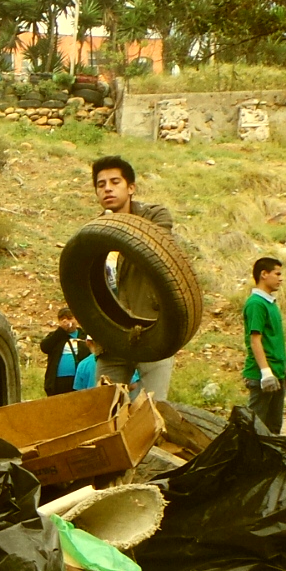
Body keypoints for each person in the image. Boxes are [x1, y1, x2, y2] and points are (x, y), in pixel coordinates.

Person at [89, 155, 176, 398]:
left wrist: (116, 229)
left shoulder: (155, 217)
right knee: (105, 409)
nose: (107, 188)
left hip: (152, 330)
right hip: (111, 336)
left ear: (131, 188)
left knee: (151, 407)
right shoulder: (92, 232)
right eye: (101, 184)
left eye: (115, 182)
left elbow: (159, 248)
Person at [242, 256, 286, 433]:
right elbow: (255, 340)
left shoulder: (270, 303)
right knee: (255, 427)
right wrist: (266, 373)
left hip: (277, 373)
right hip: (262, 375)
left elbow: (273, 339)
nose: (280, 278)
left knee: (273, 427)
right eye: (277, 273)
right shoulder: (256, 304)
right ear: (264, 274)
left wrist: (283, 370)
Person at [38, 307, 85, 396]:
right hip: (58, 381)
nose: (67, 322)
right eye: (63, 320)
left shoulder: (83, 335)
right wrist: (61, 331)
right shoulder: (55, 336)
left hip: (78, 379)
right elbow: (44, 347)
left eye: (70, 318)